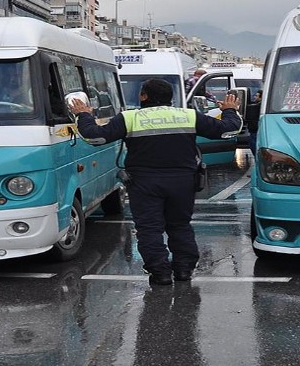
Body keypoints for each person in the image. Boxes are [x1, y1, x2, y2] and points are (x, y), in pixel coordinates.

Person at [69, 78, 242, 286]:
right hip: (182, 182)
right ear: (170, 98)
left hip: (144, 182)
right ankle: (184, 270)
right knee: (180, 225)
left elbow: (95, 137)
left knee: (149, 228)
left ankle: (159, 273)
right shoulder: (187, 115)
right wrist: (230, 109)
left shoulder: (129, 118)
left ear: (144, 96)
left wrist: (83, 115)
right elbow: (228, 129)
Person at [245, 89, 263, 157]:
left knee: (254, 146)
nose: (255, 97)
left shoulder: (258, 106)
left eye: (256, 96)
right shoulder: (258, 105)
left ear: (261, 97)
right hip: (255, 129)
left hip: (255, 130)